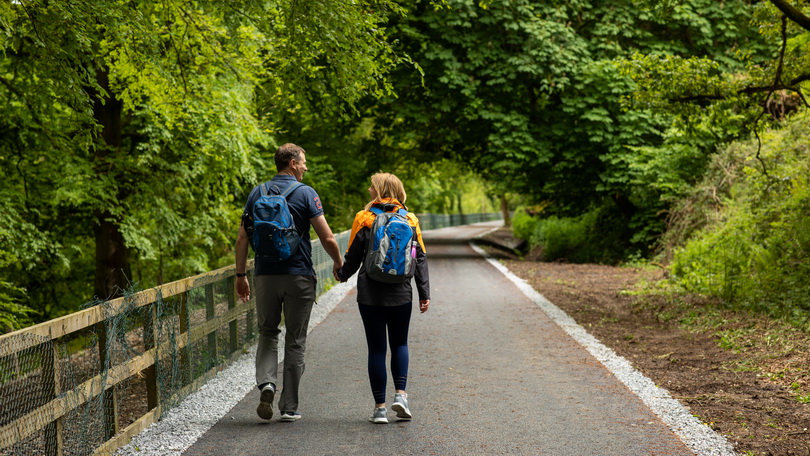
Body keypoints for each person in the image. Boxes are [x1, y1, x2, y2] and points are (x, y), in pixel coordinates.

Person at [235, 143, 343, 422]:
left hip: (266, 276)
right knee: (295, 341)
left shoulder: (256, 193)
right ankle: (290, 406)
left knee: (268, 333)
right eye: (303, 162)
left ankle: (267, 383)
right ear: (292, 163)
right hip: (299, 276)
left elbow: (242, 238)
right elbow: (328, 237)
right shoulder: (305, 193)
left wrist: (240, 276)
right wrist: (338, 262)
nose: (306, 166)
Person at [335, 172, 430, 424]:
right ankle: (401, 395)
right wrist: (424, 293)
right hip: (401, 291)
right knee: (400, 344)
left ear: (378, 190)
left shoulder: (364, 218)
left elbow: (353, 256)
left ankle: (379, 409)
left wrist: (341, 275)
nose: (368, 189)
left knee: (376, 348)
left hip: (370, 292)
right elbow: (419, 257)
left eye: (371, 186)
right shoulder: (410, 219)